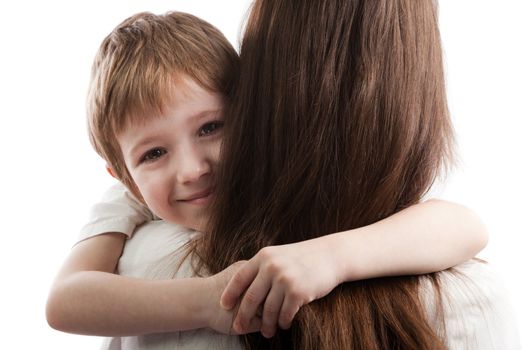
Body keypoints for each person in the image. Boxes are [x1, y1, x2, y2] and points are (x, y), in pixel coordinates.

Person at [45, 6, 512, 349]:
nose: (191, 168)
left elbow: (467, 226)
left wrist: (329, 258)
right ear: (123, 176)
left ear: (249, 114)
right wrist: (206, 301)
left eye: (211, 127)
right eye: (153, 154)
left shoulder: (274, 170)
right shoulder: (129, 203)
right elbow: (66, 300)